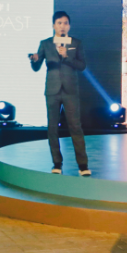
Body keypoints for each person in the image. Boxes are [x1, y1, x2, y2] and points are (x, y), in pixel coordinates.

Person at [29, 11, 90, 176]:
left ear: (69, 26)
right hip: (52, 90)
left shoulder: (76, 43)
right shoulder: (45, 44)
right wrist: (34, 60)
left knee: (75, 127)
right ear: (53, 25)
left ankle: (83, 165)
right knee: (52, 128)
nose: (62, 26)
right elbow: (36, 67)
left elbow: (82, 65)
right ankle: (57, 163)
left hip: (70, 91)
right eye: (59, 23)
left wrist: (67, 56)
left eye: (65, 23)